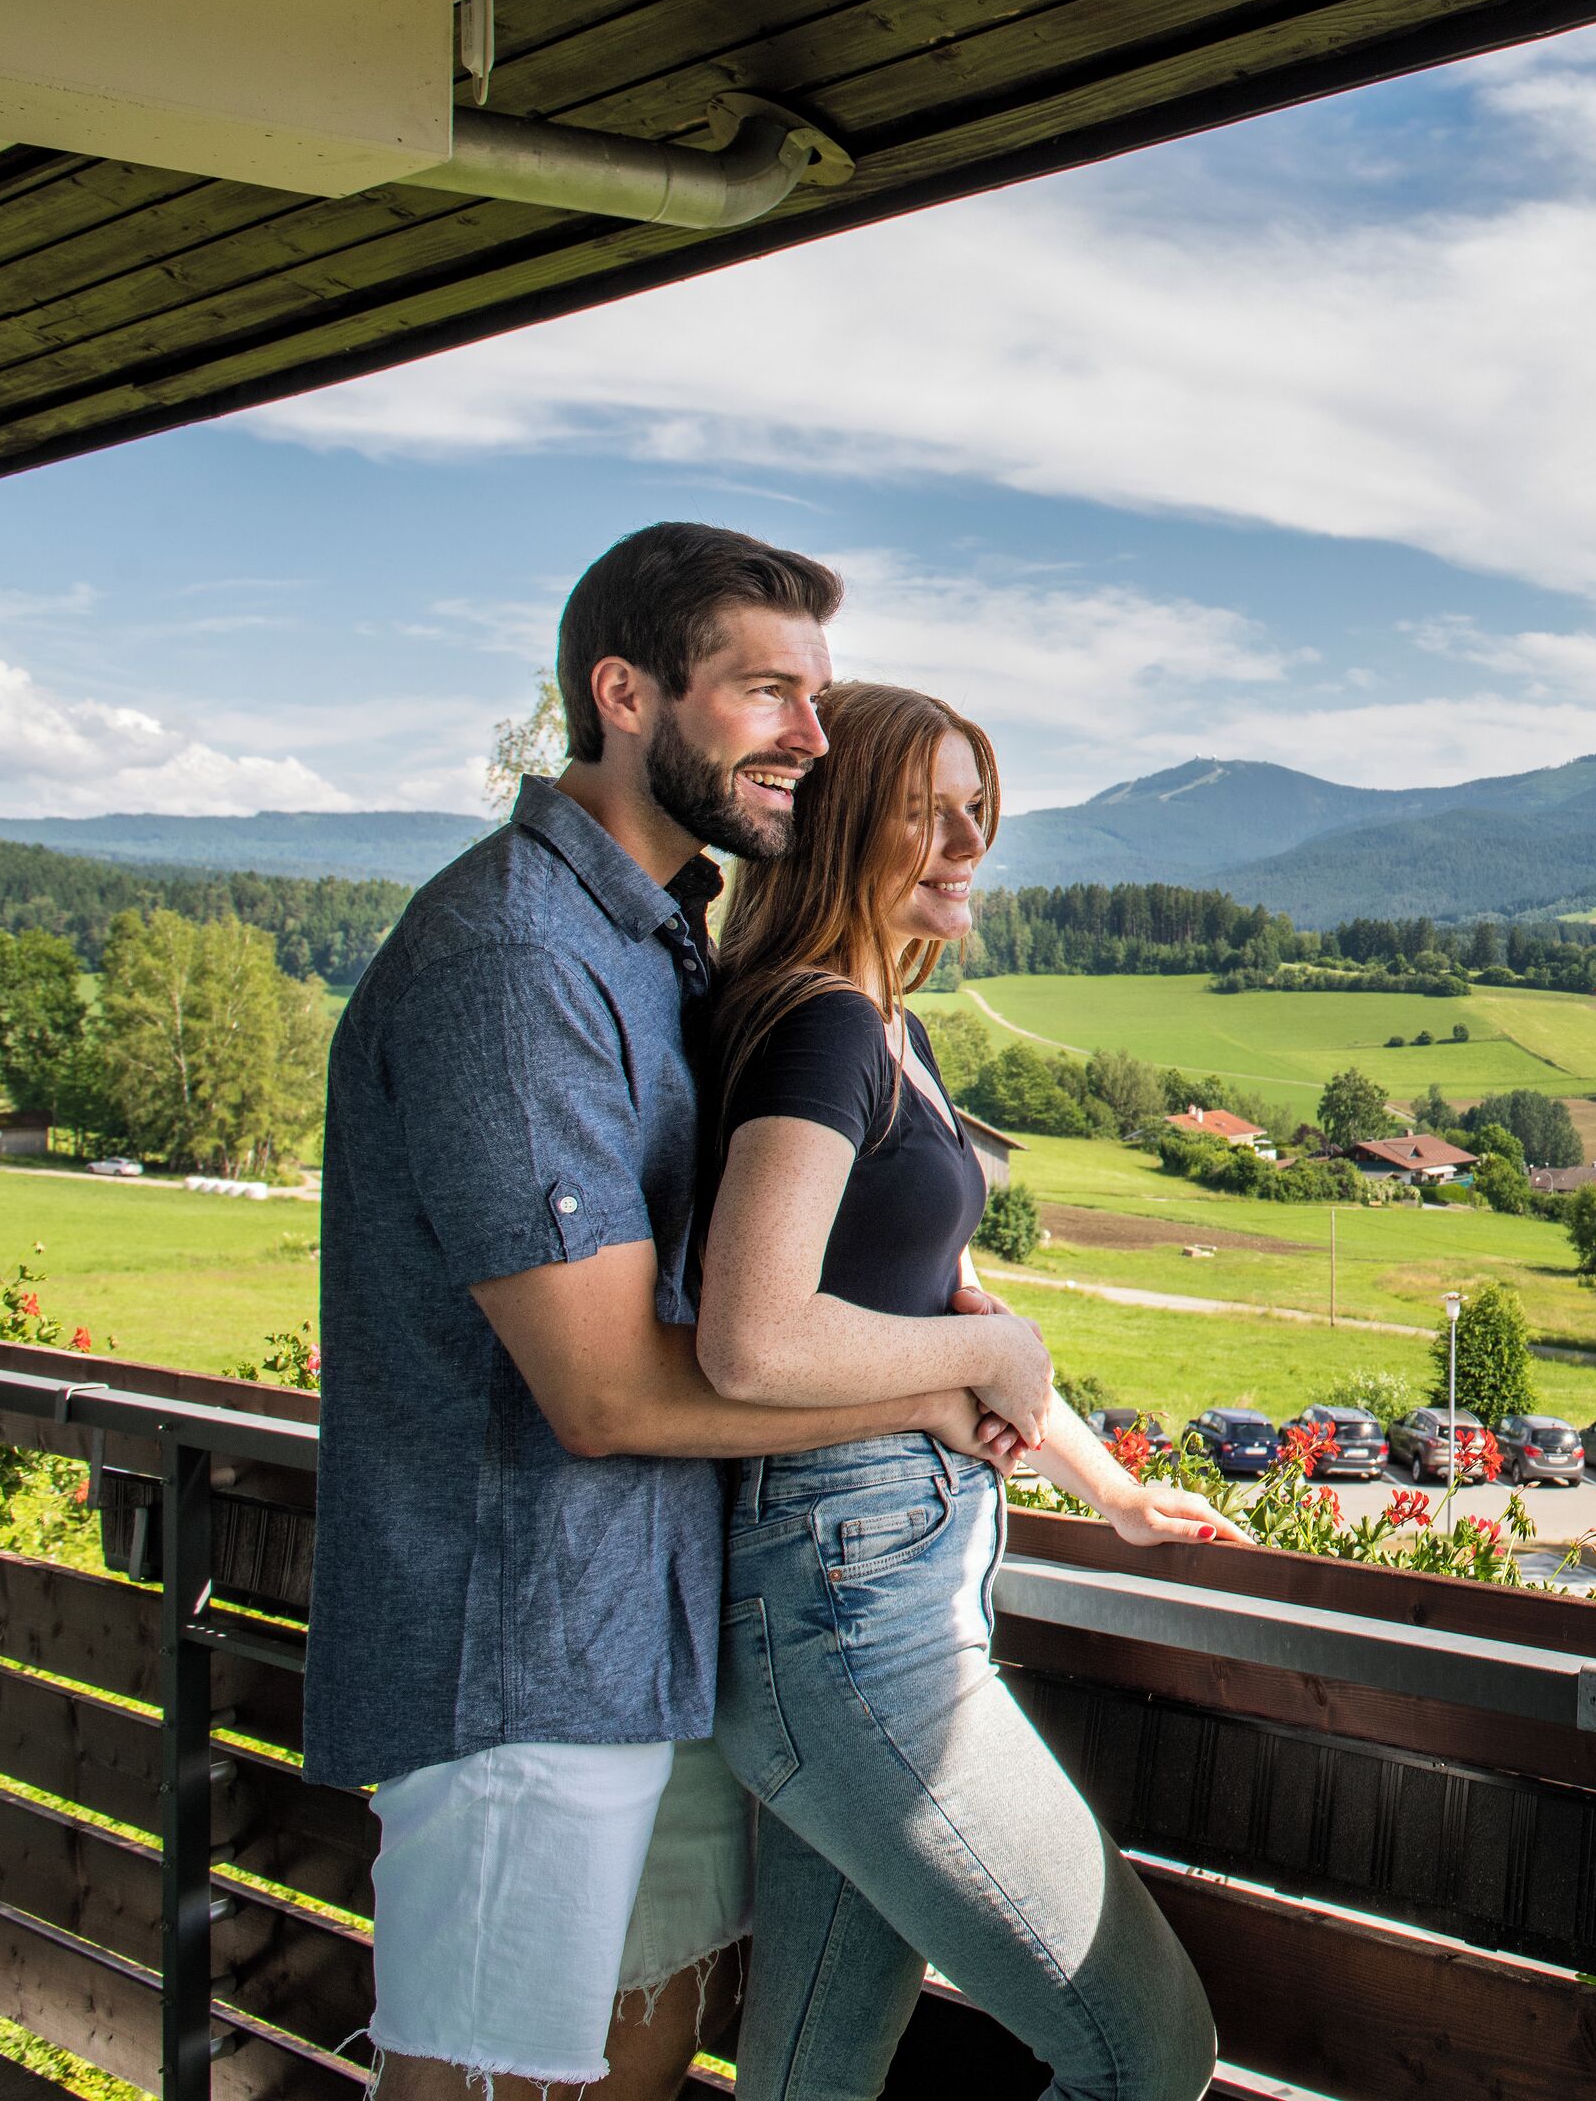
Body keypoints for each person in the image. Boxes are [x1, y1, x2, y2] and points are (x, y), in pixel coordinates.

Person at [307, 526, 1044, 2101]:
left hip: (642, 1636)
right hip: (517, 1654)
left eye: (817, 696)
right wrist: (939, 1386)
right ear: (626, 695)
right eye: (766, 692)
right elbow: (602, 1393)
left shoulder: (653, 941)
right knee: (480, 2089)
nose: (813, 739)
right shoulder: (514, 953)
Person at [694, 679, 1242, 2100]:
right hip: (850, 1615)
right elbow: (752, 1341)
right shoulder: (818, 1028)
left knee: (811, 2079)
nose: (963, 841)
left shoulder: (888, 1033)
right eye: (921, 812)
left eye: (975, 810)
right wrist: (980, 1365)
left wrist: (1109, 1490)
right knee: (1149, 2049)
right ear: (834, 829)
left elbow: (947, 1313)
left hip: (855, 1593)